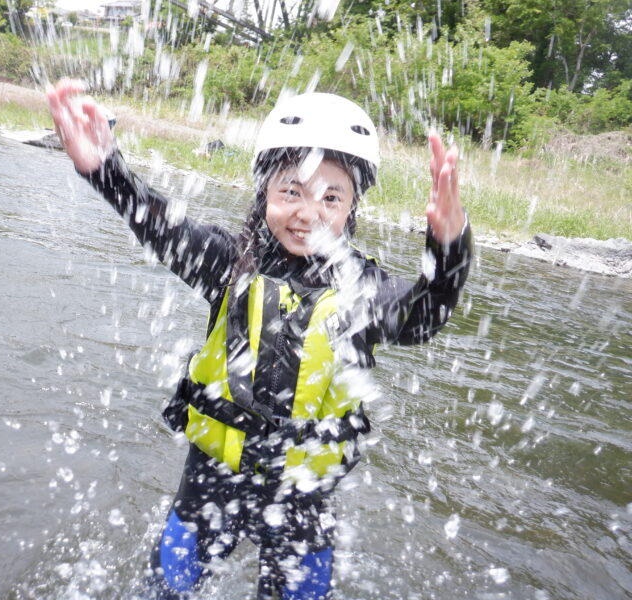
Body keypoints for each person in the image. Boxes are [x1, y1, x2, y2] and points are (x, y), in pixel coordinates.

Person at [48, 80, 472, 599]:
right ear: (265, 191)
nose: (307, 212)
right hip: (213, 477)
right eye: (291, 190)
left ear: (351, 208)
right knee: (164, 590)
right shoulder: (229, 262)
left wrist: (449, 247)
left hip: (303, 496)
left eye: (330, 197)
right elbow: (156, 223)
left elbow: (427, 314)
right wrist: (104, 169)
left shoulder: (364, 293)